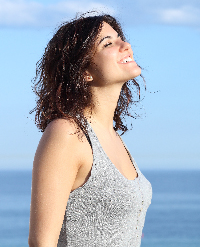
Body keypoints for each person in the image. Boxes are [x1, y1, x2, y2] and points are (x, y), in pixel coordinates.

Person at [28, 13, 152, 247]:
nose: (126, 45)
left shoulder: (112, 137)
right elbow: (41, 243)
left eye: (120, 38)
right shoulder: (67, 134)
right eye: (108, 43)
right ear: (84, 71)